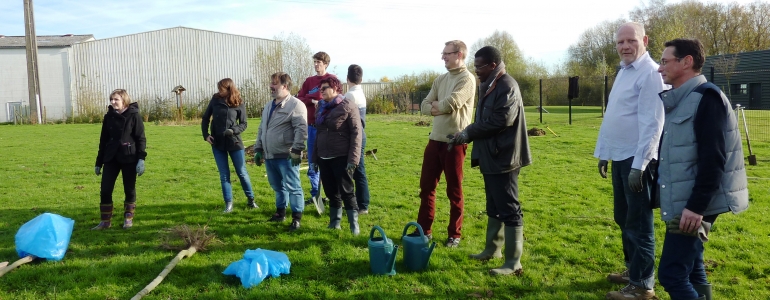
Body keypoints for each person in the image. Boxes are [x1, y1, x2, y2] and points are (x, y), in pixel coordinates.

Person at [656, 38, 749, 300]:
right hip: (686, 199)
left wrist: (696, 208)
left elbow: (714, 159)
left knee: (671, 274)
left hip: (695, 203)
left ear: (686, 62)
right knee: (693, 267)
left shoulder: (707, 98)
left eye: (665, 61)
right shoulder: (682, 100)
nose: (660, 68)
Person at [595, 22, 665, 300]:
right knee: (623, 217)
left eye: (631, 41)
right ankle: (632, 270)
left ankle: (643, 284)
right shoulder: (624, 71)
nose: (625, 46)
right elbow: (616, 115)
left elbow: (653, 123)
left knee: (638, 221)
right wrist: (604, 152)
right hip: (620, 156)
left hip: (638, 161)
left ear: (644, 40)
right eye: (620, 42)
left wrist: (640, 164)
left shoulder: (649, 73)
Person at [451, 46, 531, 275]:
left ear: (493, 66)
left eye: (479, 67)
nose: (476, 70)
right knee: (494, 205)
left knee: (509, 207)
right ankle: (492, 250)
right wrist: (467, 133)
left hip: (504, 157)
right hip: (491, 155)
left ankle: (513, 262)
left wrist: (469, 132)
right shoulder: (491, 85)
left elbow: (501, 120)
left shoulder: (507, 85)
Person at [414, 40, 476, 248]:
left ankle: (454, 235)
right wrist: (439, 107)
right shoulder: (440, 79)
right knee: (426, 188)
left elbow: (453, 103)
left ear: (459, 55)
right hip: (434, 140)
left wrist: (438, 106)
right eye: (443, 53)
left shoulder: (468, 79)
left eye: (446, 53)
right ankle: (424, 230)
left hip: (455, 142)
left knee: (454, 190)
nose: (443, 57)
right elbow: (423, 106)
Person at [254, 72, 308, 232]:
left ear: (285, 86)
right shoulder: (268, 106)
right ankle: (280, 213)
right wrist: (258, 148)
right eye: (271, 83)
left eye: (274, 84)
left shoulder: (296, 105)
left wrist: (297, 150)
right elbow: (261, 128)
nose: (271, 86)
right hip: (270, 155)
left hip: (287, 156)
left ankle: (296, 218)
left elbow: (301, 129)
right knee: (277, 187)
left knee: (293, 187)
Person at [310, 76, 362, 235]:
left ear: (335, 88)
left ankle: (354, 227)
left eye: (325, 88)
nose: (322, 91)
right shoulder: (320, 106)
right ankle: (335, 223)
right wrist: (313, 159)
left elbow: (356, 133)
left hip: (342, 156)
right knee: (331, 192)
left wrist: (353, 159)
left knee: (347, 191)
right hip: (324, 156)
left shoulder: (347, 105)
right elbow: (318, 134)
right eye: (321, 88)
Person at [93, 89, 147, 230]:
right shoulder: (108, 117)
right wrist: (99, 162)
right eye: (111, 99)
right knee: (105, 190)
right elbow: (103, 140)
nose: (112, 102)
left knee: (129, 189)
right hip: (111, 157)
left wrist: (141, 159)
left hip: (129, 157)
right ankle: (105, 222)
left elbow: (140, 138)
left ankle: (128, 219)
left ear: (124, 100)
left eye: (116, 99)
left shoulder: (134, 115)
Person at [201, 78, 256, 213]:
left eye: (222, 88)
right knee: (224, 175)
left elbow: (244, 124)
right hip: (217, 143)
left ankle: (251, 200)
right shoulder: (215, 100)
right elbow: (205, 118)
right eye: (219, 88)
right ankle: (229, 203)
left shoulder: (239, 102)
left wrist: (233, 131)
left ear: (229, 88)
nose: (219, 91)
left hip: (234, 143)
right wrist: (206, 135)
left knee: (242, 172)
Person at [297, 51, 336, 206]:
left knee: (328, 162)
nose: (315, 65)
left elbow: (336, 99)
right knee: (313, 162)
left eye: (318, 62)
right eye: (314, 62)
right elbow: (299, 97)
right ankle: (315, 195)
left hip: (328, 129)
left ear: (325, 64)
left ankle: (331, 195)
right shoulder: (309, 81)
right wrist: (312, 99)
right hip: (312, 127)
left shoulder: (332, 80)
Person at [344, 64, 371, 215]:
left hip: (355, 137)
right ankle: (359, 203)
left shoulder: (350, 95)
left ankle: (362, 205)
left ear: (347, 79)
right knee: (357, 170)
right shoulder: (360, 92)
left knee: (358, 170)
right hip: (360, 135)